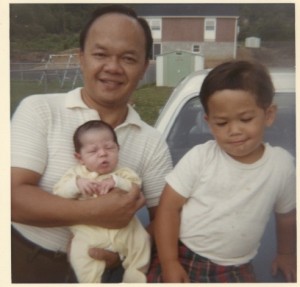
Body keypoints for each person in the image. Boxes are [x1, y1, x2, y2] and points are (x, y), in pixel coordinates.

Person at [11, 4, 172, 283]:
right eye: (100, 54)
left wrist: (124, 254)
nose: (112, 67)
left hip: (105, 271)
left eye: (128, 58)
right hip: (25, 260)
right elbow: (10, 197)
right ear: (81, 57)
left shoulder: (152, 141)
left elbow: (165, 218)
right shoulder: (40, 110)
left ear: (145, 66)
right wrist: (96, 212)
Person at [147, 60, 296, 283]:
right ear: (208, 122)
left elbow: (286, 217)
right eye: (222, 122)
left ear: (269, 115)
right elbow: (168, 209)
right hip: (183, 254)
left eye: (245, 119)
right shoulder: (200, 157)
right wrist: (169, 262)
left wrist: (286, 254)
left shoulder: (282, 166)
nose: (234, 130)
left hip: (236, 266)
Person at [54, 120, 151, 283]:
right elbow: (59, 193)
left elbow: (135, 187)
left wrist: (117, 182)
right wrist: (77, 184)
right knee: (81, 256)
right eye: (93, 151)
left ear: (118, 149)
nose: (103, 154)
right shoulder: (75, 175)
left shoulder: (124, 173)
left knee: (143, 242)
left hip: (126, 230)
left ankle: (134, 277)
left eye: (109, 148)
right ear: (80, 158)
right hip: (89, 233)